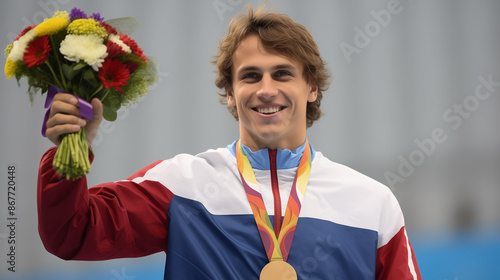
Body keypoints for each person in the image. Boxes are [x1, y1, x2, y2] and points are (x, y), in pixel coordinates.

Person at [38, 4, 422, 280]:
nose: (267, 90)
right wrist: (67, 154)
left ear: (312, 88)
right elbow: (73, 233)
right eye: (251, 76)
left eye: (283, 74)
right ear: (229, 93)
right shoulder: (181, 185)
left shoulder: (372, 204)